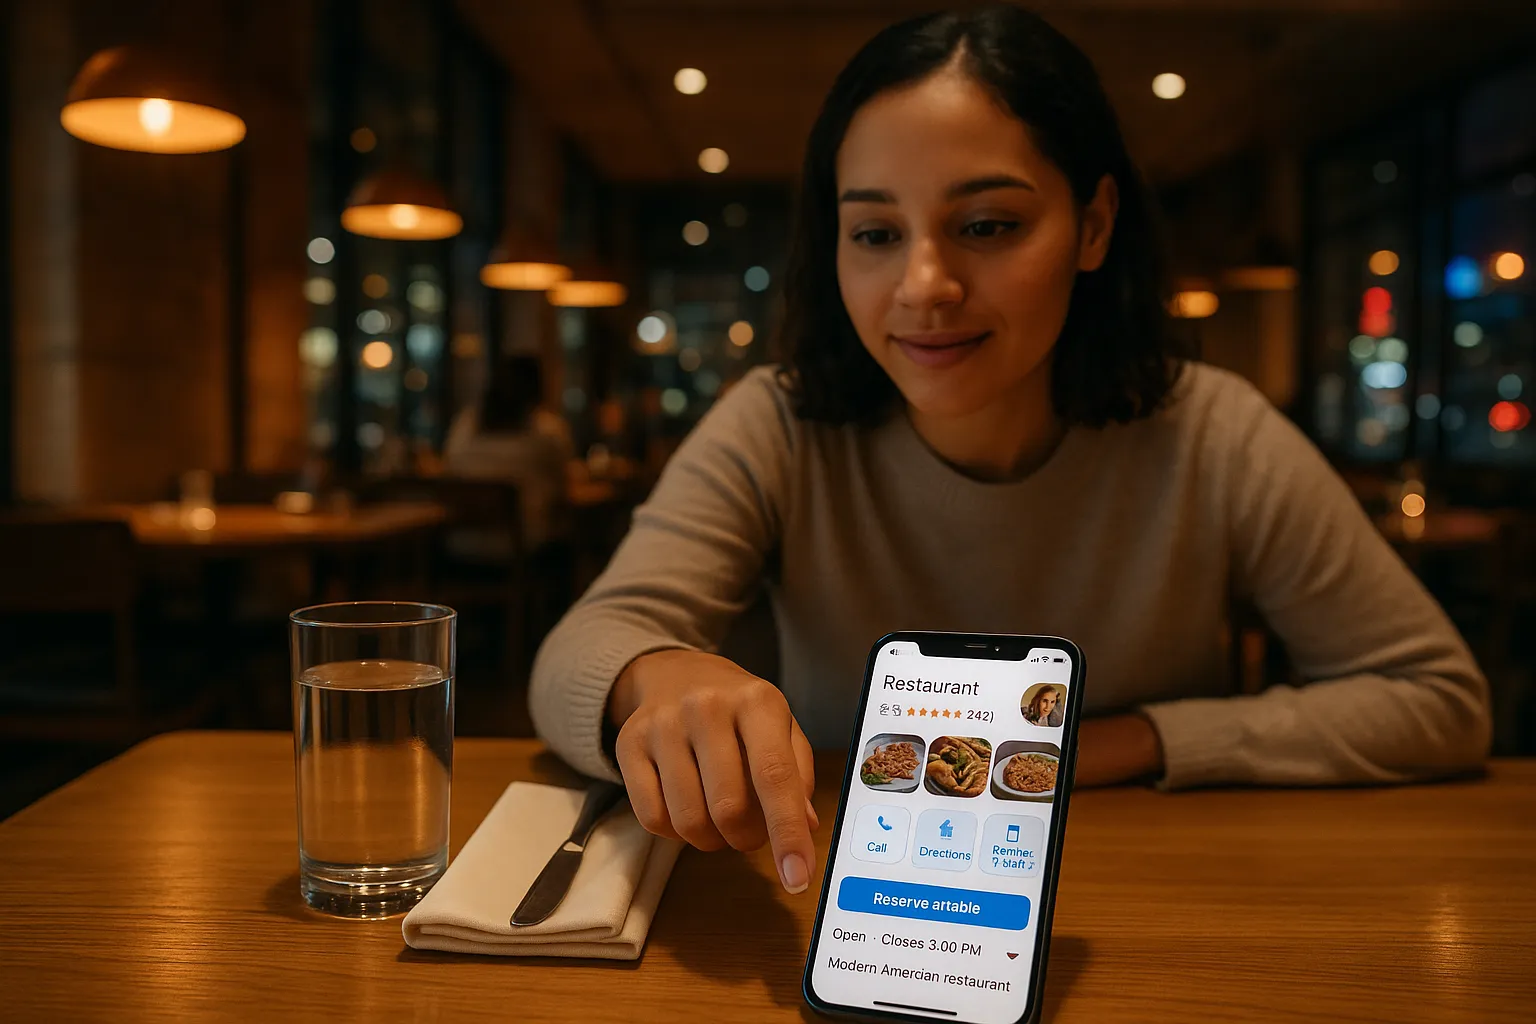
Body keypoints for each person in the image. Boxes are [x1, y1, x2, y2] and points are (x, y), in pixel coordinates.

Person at [529, 5, 1489, 898]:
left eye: (987, 225)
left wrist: (1113, 744)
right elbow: (575, 657)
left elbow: (1436, 700)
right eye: (873, 232)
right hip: (853, 890)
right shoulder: (779, 424)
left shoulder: (1213, 432)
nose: (925, 285)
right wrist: (662, 678)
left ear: (1094, 225)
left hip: (1164, 902)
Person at [443, 355, 573, 553]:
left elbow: (449, 467)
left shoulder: (464, 425)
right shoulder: (546, 429)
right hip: (523, 546)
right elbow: (563, 482)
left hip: (459, 542)